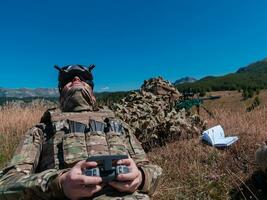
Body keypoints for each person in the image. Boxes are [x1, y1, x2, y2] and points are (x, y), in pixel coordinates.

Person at [0, 64, 162, 200]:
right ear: (60, 92)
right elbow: (6, 184)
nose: (76, 79)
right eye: (68, 79)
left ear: (93, 93)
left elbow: (152, 170)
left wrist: (140, 178)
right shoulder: (41, 131)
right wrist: (59, 183)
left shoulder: (118, 125)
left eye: (84, 78)